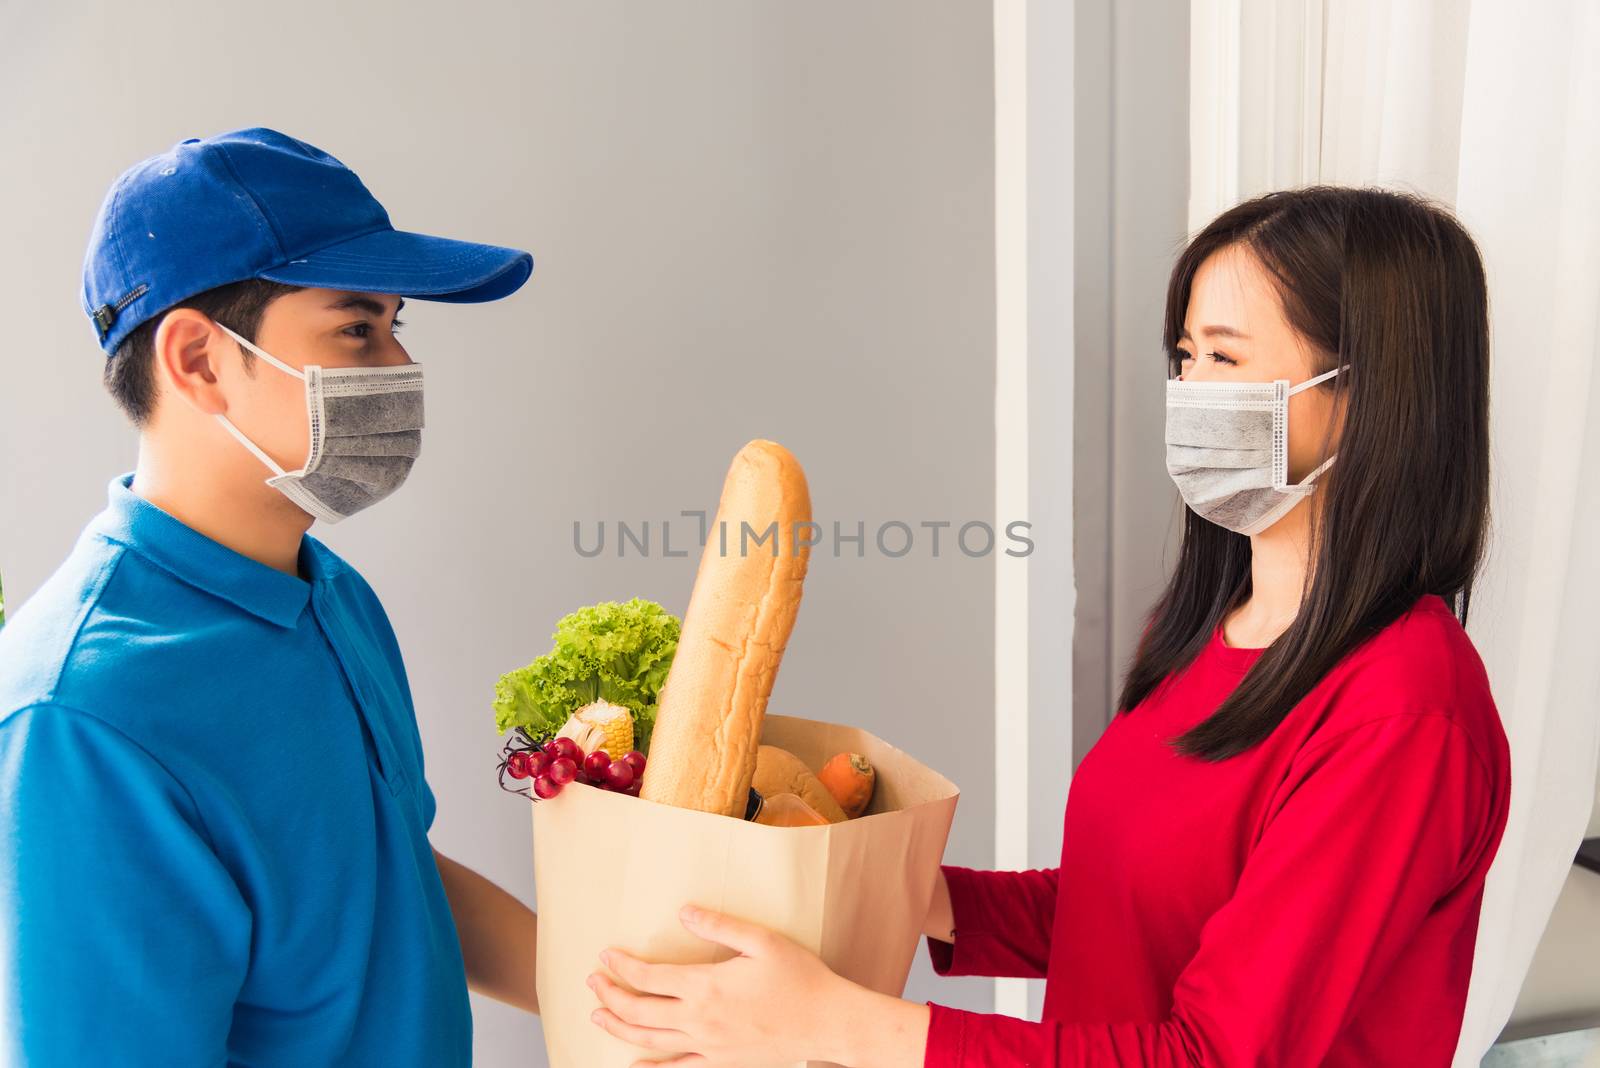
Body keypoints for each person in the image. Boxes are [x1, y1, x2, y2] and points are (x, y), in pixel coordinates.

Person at [586, 185, 1513, 1067]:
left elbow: (1219, 1055)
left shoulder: (1403, 711)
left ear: (1373, 392)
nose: (1189, 388)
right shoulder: (1204, 633)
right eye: (1183, 356)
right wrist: (855, 884)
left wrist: (848, 1023)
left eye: (1225, 359)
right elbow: (1120, 912)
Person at [0, 127, 544, 1065]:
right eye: (356, 328)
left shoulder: (329, 595)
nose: (396, 372)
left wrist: (661, 1004)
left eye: (394, 328)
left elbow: (385, 884)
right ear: (199, 360)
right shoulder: (81, 719)